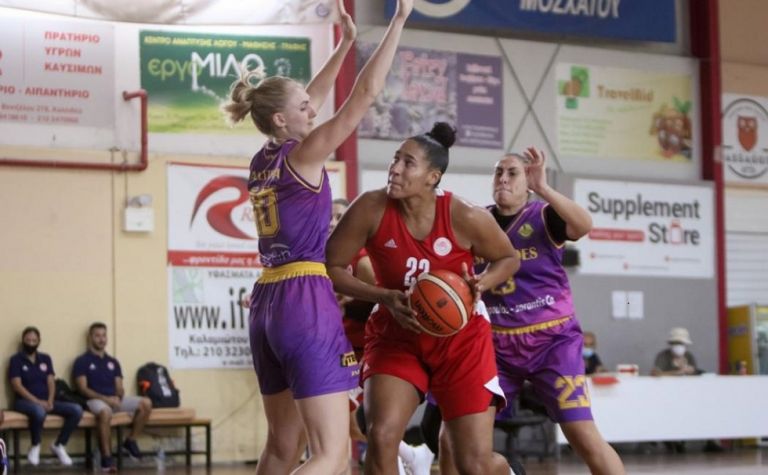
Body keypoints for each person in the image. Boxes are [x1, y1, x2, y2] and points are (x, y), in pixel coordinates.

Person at [220, 0, 413, 473]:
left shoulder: (263, 157)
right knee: (332, 454)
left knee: (281, 447)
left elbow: (310, 97)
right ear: (282, 120)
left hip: (266, 300)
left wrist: (344, 45)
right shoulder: (303, 155)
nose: (313, 107)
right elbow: (365, 93)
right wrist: (399, 20)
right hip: (304, 297)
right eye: (304, 107)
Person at [326, 122, 521, 475]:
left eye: (408, 163)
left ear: (433, 177)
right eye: (395, 159)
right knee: (381, 437)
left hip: (461, 341)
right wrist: (384, 297)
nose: (395, 169)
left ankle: (508, 472)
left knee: (472, 463)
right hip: (396, 335)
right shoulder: (370, 207)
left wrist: (482, 282)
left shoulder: (464, 215)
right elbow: (333, 265)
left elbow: (509, 257)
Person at [461, 149, 625, 474]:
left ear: (527, 182)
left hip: (552, 342)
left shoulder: (544, 216)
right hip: (496, 348)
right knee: (462, 445)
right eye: (498, 172)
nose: (503, 179)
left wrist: (544, 188)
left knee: (583, 436)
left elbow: (584, 225)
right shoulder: (477, 222)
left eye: (512, 173)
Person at [332, 198, 434, 475]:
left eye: (339, 217)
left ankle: (406, 459)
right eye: (330, 216)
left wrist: (351, 302)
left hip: (361, 348)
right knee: (350, 424)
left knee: (353, 422)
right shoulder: (324, 255)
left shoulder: (361, 259)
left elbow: (379, 304)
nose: (333, 222)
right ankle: (411, 456)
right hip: (337, 348)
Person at [72, 322, 153, 472]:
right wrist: (106, 399)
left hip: (113, 399)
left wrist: (119, 395)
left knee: (146, 403)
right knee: (105, 412)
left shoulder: (113, 362)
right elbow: (83, 389)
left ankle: (130, 441)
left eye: (104, 335)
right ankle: (106, 458)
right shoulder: (82, 361)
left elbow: (119, 386)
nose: (101, 339)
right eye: (97, 336)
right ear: (90, 338)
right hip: (94, 400)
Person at [8, 326, 83, 466]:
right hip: (24, 402)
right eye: (28, 340)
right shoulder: (16, 360)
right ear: (23, 340)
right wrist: (37, 401)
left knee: (76, 410)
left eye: (34, 340)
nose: (31, 343)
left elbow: (51, 381)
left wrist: (50, 400)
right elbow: (17, 386)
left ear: (39, 341)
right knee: (39, 412)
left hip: (46, 400)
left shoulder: (45, 358)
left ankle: (59, 445)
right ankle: (35, 445)